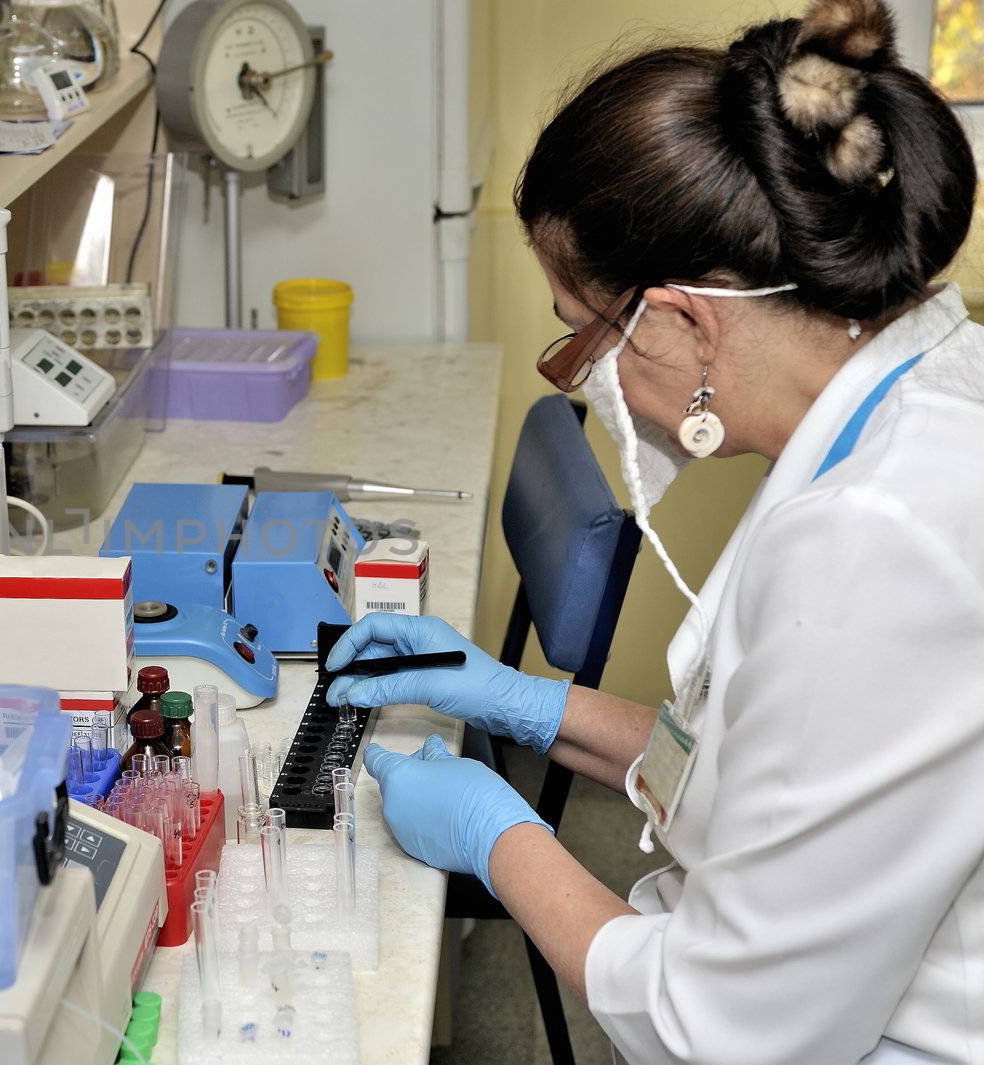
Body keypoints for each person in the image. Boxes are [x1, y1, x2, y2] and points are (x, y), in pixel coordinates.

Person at [327, 1, 984, 1061]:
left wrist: (502, 844)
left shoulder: (879, 543)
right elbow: (774, 775)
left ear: (682, 319)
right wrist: (532, 706)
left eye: (581, 331)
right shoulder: (913, 392)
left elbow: (725, 1031)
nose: (586, 375)